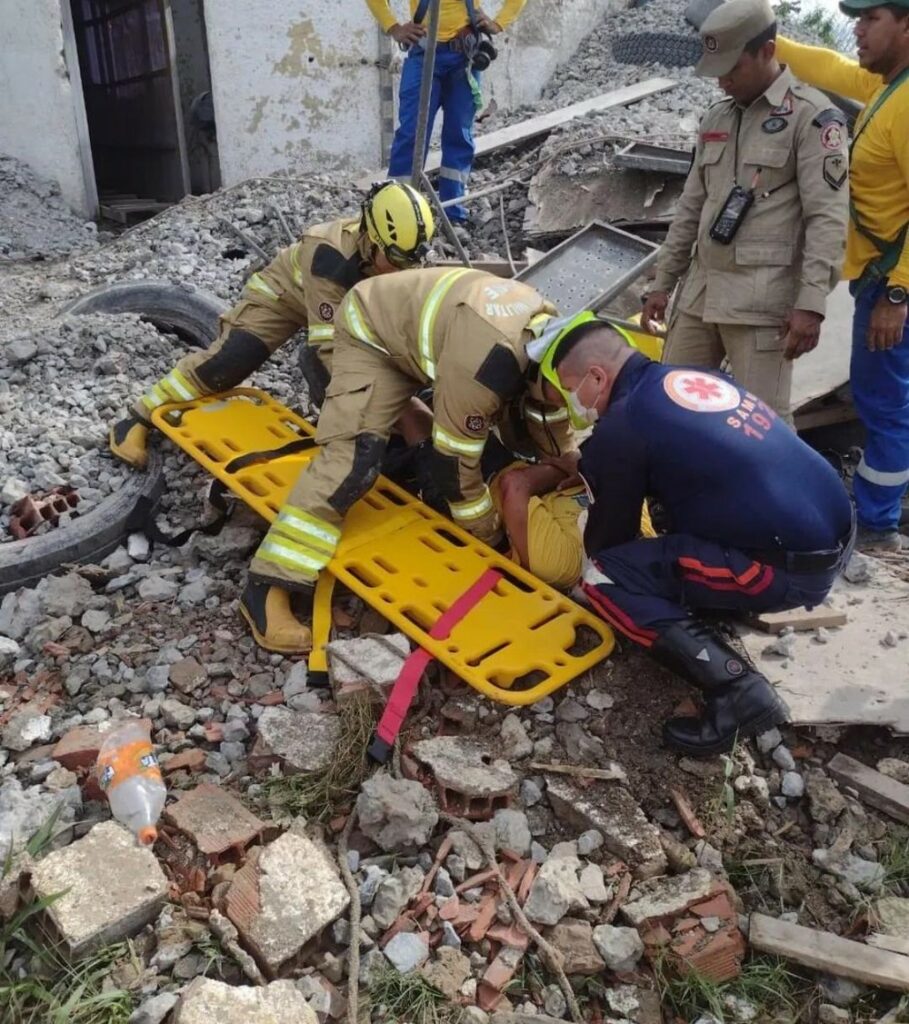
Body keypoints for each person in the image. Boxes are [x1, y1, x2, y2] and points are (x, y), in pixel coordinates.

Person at [537, 313, 855, 756]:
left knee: (604, 578)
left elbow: (609, 543)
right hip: (837, 526)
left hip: (792, 569)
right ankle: (708, 601)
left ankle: (738, 690)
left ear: (597, 376)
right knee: (670, 513)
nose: (576, 402)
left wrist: (592, 485)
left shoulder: (623, 425)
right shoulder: (687, 378)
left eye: (573, 390)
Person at [240, 268, 582, 651]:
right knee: (352, 461)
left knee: (467, 427)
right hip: (370, 334)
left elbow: (547, 416)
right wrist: (487, 535)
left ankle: (392, 404)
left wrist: (564, 457)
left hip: (420, 334)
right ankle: (267, 586)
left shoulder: (554, 342)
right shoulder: (490, 364)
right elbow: (454, 463)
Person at [109, 181, 436, 470]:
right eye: (396, 260)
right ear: (372, 239)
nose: (403, 271)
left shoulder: (402, 258)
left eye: (411, 262)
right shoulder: (331, 257)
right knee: (230, 361)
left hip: (351, 309)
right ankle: (139, 417)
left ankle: (382, 437)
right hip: (283, 297)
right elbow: (333, 351)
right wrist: (398, 405)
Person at [641, 0, 849, 423]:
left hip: (762, 304)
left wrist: (811, 303)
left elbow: (827, 218)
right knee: (672, 410)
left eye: (733, 68)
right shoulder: (716, 118)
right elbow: (691, 208)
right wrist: (663, 283)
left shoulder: (811, 119)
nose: (722, 81)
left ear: (767, 51)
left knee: (762, 426)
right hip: (700, 296)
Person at [773, 6, 909, 551]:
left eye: (871, 17)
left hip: (892, 285)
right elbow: (828, 67)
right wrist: (767, 36)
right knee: (887, 400)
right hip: (880, 279)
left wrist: (897, 293)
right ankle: (881, 513)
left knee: (885, 404)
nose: (857, 28)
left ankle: (877, 525)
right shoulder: (887, 86)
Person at [366, 0, 527, 225]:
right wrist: (394, 28)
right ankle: (400, 213)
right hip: (423, 55)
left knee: (458, 133)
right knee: (412, 134)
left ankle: (453, 211)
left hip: (464, 56)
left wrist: (498, 24)